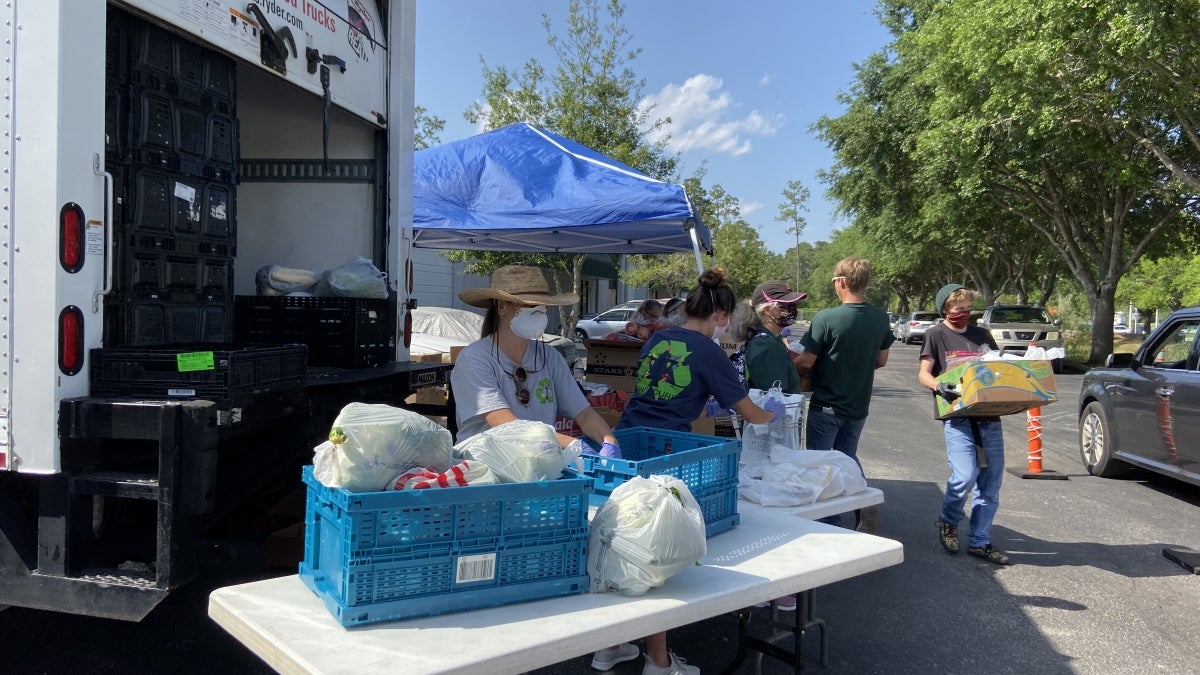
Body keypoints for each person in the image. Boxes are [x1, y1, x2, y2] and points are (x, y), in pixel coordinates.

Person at [603, 266, 784, 675]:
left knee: (620, 541)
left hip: (628, 441)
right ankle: (659, 662)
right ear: (721, 315)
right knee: (657, 551)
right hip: (667, 455)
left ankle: (609, 646)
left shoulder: (659, 340)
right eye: (728, 320)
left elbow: (669, 396)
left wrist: (710, 404)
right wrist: (773, 414)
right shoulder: (709, 351)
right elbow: (752, 414)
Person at [451, 264, 620, 457]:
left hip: (538, 464)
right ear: (502, 307)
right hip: (484, 467)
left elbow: (585, 413)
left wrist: (609, 440)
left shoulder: (549, 357)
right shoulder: (474, 360)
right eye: (531, 306)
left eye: (544, 307)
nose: (539, 313)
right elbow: (507, 425)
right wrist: (575, 445)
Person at [792, 256, 893, 532]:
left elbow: (807, 362)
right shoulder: (879, 317)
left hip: (826, 405)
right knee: (847, 456)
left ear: (842, 282)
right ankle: (862, 499)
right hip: (858, 404)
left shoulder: (826, 318)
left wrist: (787, 364)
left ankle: (830, 523)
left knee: (821, 463)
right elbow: (881, 360)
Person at [919, 283, 1011, 565]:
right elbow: (923, 373)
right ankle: (948, 520)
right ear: (945, 309)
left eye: (969, 308)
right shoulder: (936, 334)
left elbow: (996, 368)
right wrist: (938, 385)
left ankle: (980, 541)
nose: (965, 313)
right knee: (965, 476)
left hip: (988, 419)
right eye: (960, 309)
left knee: (990, 483)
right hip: (957, 418)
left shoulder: (982, 335)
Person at [730, 280, 808, 393]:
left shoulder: (763, 339)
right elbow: (775, 401)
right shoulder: (768, 346)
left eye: (794, 304)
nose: (793, 309)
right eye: (788, 305)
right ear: (767, 310)